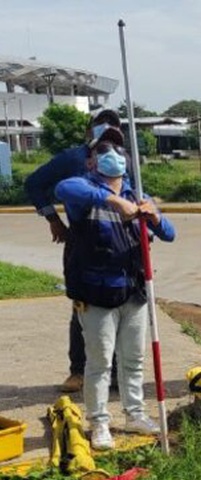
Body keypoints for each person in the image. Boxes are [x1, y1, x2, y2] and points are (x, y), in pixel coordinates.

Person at [54, 135, 176, 450]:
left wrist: (155, 216)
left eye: (118, 151)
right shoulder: (83, 192)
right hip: (96, 294)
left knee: (134, 359)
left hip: (133, 292)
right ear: (91, 162)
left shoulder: (138, 194)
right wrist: (111, 200)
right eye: (102, 151)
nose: (112, 155)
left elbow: (170, 234)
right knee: (99, 363)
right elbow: (63, 189)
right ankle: (99, 422)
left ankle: (134, 414)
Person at [25, 108, 123, 393]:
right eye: (100, 126)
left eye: (113, 127)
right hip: (83, 245)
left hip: (118, 248)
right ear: (88, 131)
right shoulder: (73, 159)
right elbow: (34, 183)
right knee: (82, 308)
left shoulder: (125, 160)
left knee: (119, 308)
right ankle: (78, 370)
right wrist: (53, 218)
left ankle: (115, 372)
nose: (106, 130)